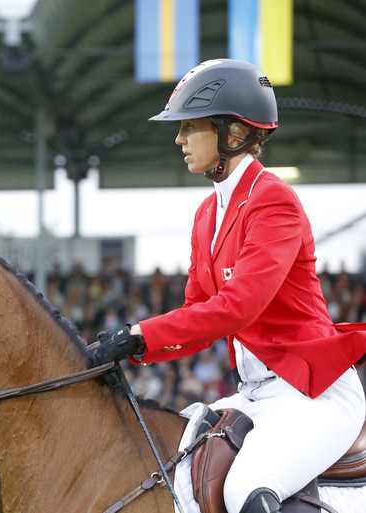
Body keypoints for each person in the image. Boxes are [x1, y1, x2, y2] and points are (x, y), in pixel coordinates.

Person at [92, 58, 366, 513]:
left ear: (232, 133)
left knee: (246, 491)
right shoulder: (206, 215)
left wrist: (142, 334)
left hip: (313, 393)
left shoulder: (274, 199)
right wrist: (131, 347)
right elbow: (196, 316)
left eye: (189, 127)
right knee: (176, 474)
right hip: (258, 394)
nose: (178, 139)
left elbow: (238, 307)